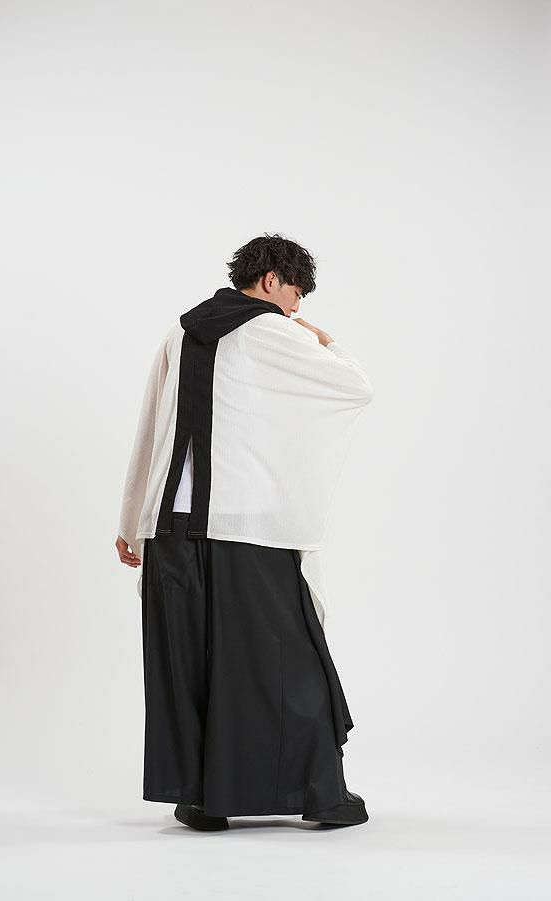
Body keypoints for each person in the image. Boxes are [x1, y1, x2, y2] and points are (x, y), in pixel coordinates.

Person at [116, 233, 374, 830]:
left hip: (170, 528)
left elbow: (151, 424)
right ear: (270, 280)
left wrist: (132, 519)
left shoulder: (180, 331)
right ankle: (321, 795)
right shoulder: (273, 331)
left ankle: (201, 799)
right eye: (296, 292)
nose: (297, 306)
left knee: (187, 664)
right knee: (288, 660)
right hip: (243, 526)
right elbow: (356, 387)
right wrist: (323, 339)